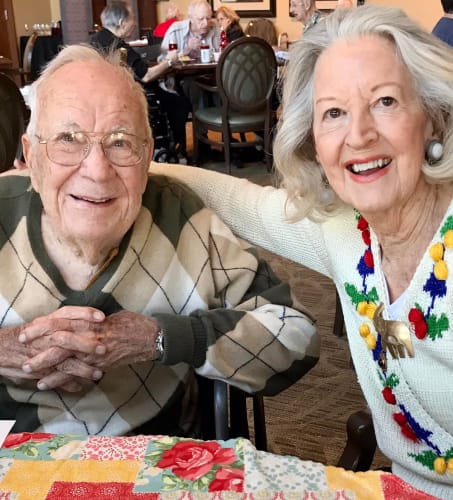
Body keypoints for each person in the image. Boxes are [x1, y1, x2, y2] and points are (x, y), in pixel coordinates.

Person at [161, 5, 453, 499]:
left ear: (433, 116)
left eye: (384, 101)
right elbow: (240, 201)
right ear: (313, 140)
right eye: (334, 113)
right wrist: (118, 162)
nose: (358, 135)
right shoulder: (347, 231)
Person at [0, 43, 318, 436]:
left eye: (120, 142)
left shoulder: (182, 218)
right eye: (69, 138)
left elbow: (296, 337)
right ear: (31, 157)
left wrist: (163, 338)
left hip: (155, 466)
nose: (97, 170)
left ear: (147, 154)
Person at [90, 1, 191, 161]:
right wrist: (170, 61)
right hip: (127, 97)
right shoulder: (118, 45)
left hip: (102, 97)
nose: (135, 23)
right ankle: (176, 150)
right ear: (122, 23)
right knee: (180, 104)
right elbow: (146, 75)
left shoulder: (95, 40)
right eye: (133, 19)